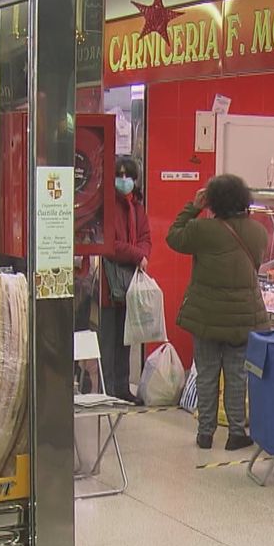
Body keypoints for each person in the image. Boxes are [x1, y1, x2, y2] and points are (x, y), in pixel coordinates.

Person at [167, 174, 269, 450]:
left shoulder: (202, 230)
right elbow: (257, 263)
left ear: (213, 200)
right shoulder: (259, 232)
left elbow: (173, 237)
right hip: (243, 318)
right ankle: (236, 432)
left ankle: (205, 433)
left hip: (207, 318)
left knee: (207, 374)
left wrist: (193, 206)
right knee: (237, 376)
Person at [99, 156, 151, 403]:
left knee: (125, 339)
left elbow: (146, 238)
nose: (123, 180)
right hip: (108, 285)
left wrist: (141, 254)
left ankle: (121, 387)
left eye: (127, 175)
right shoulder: (106, 206)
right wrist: (138, 255)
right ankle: (107, 389)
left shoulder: (137, 208)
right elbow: (110, 244)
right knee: (108, 340)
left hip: (129, 283)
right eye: (118, 175)